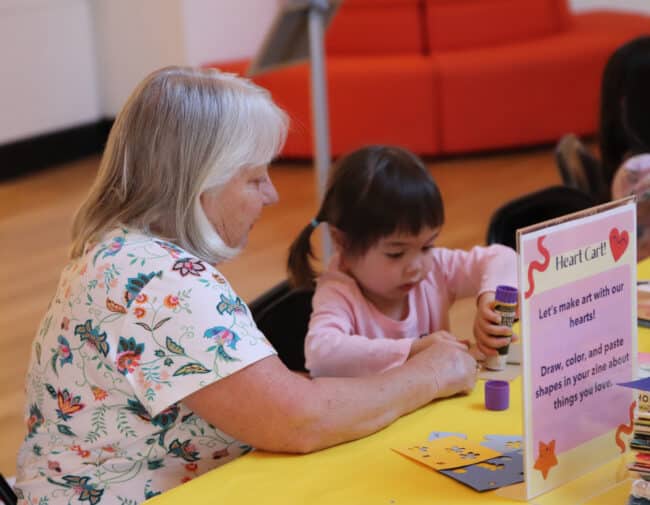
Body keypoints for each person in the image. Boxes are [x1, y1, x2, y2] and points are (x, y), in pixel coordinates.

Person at [15, 67, 478, 505]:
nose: (273, 194)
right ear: (203, 186)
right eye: (256, 177)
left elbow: (261, 397)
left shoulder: (122, 251)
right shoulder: (159, 281)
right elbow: (298, 420)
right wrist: (429, 374)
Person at [287, 145, 518, 378]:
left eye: (427, 246)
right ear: (342, 242)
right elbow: (321, 354)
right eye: (396, 254)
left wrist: (489, 298)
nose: (417, 266)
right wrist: (412, 350)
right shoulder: (339, 293)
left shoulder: (435, 269)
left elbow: (505, 257)